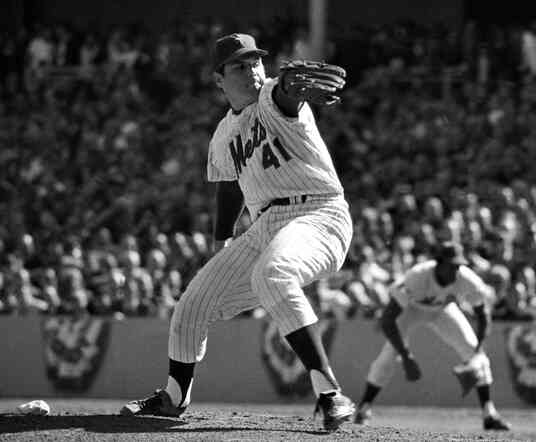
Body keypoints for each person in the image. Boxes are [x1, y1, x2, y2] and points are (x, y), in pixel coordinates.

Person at [120, 33, 356, 431]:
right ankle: (174, 397)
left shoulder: (269, 97)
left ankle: (330, 393)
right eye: (239, 66)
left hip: (319, 213)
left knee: (272, 274)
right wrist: (221, 243)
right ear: (219, 80)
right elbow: (229, 189)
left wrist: (286, 88)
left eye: (255, 62)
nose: (251, 71)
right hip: (264, 225)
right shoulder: (222, 136)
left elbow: (284, 96)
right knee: (193, 303)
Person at [354, 241, 511, 431]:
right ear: (439, 262)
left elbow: (483, 316)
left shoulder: (467, 279)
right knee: (388, 356)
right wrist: (406, 357)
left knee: (475, 353)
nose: (455, 270)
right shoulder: (418, 276)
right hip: (411, 309)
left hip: (442, 310)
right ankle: (364, 408)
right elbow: (388, 321)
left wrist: (477, 353)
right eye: (451, 265)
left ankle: (489, 414)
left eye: (458, 265)